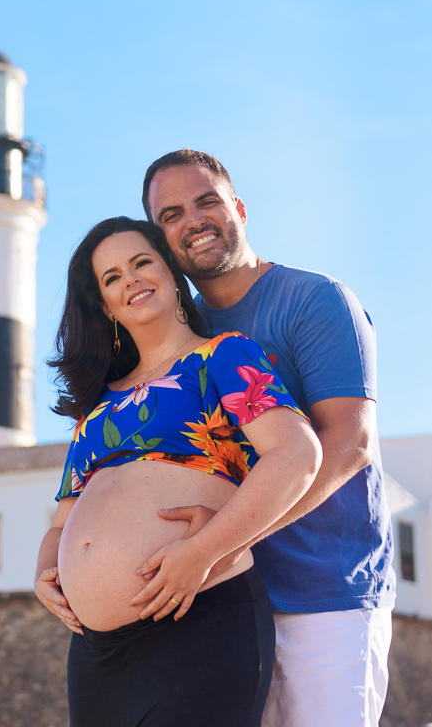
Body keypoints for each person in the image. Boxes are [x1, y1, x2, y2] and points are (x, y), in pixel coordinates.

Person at [141, 149, 394, 727]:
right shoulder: (186, 337)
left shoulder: (315, 299)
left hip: (325, 596)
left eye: (207, 201)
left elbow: (351, 445)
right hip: (224, 607)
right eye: (171, 214)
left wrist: (216, 547)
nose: (193, 221)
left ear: (239, 208)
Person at [34, 216, 321, 727]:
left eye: (142, 262)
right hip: (97, 653)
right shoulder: (96, 409)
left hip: (200, 614)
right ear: (106, 306)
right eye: (113, 277)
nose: (132, 280)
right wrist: (44, 575)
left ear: (171, 273)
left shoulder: (222, 356)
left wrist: (202, 553)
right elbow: (61, 524)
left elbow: (297, 455)